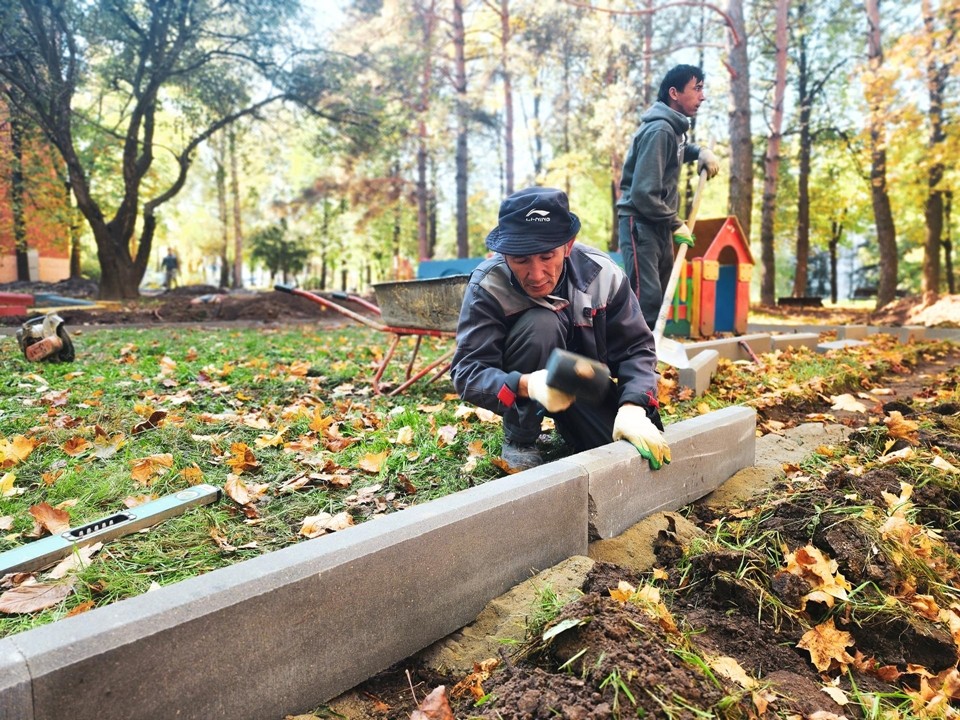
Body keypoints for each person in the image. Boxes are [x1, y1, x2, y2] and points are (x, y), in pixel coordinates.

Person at [450, 186, 670, 472]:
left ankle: (582, 423)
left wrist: (633, 407)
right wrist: (527, 385)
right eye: (521, 260)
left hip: (586, 384)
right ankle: (521, 436)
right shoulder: (487, 287)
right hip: (526, 381)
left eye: (546, 257)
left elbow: (637, 350)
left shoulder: (604, 275)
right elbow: (467, 372)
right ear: (502, 254)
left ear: (568, 245)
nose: (537, 274)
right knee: (542, 323)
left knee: (625, 451)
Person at [617, 64, 720, 331]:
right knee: (646, 298)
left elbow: (676, 151)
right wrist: (676, 223)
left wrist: (699, 152)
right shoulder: (660, 130)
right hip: (641, 222)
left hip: (657, 223)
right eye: (696, 89)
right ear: (674, 93)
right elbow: (643, 193)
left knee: (660, 296)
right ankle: (632, 361)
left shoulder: (672, 130)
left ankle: (647, 355)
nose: (703, 96)